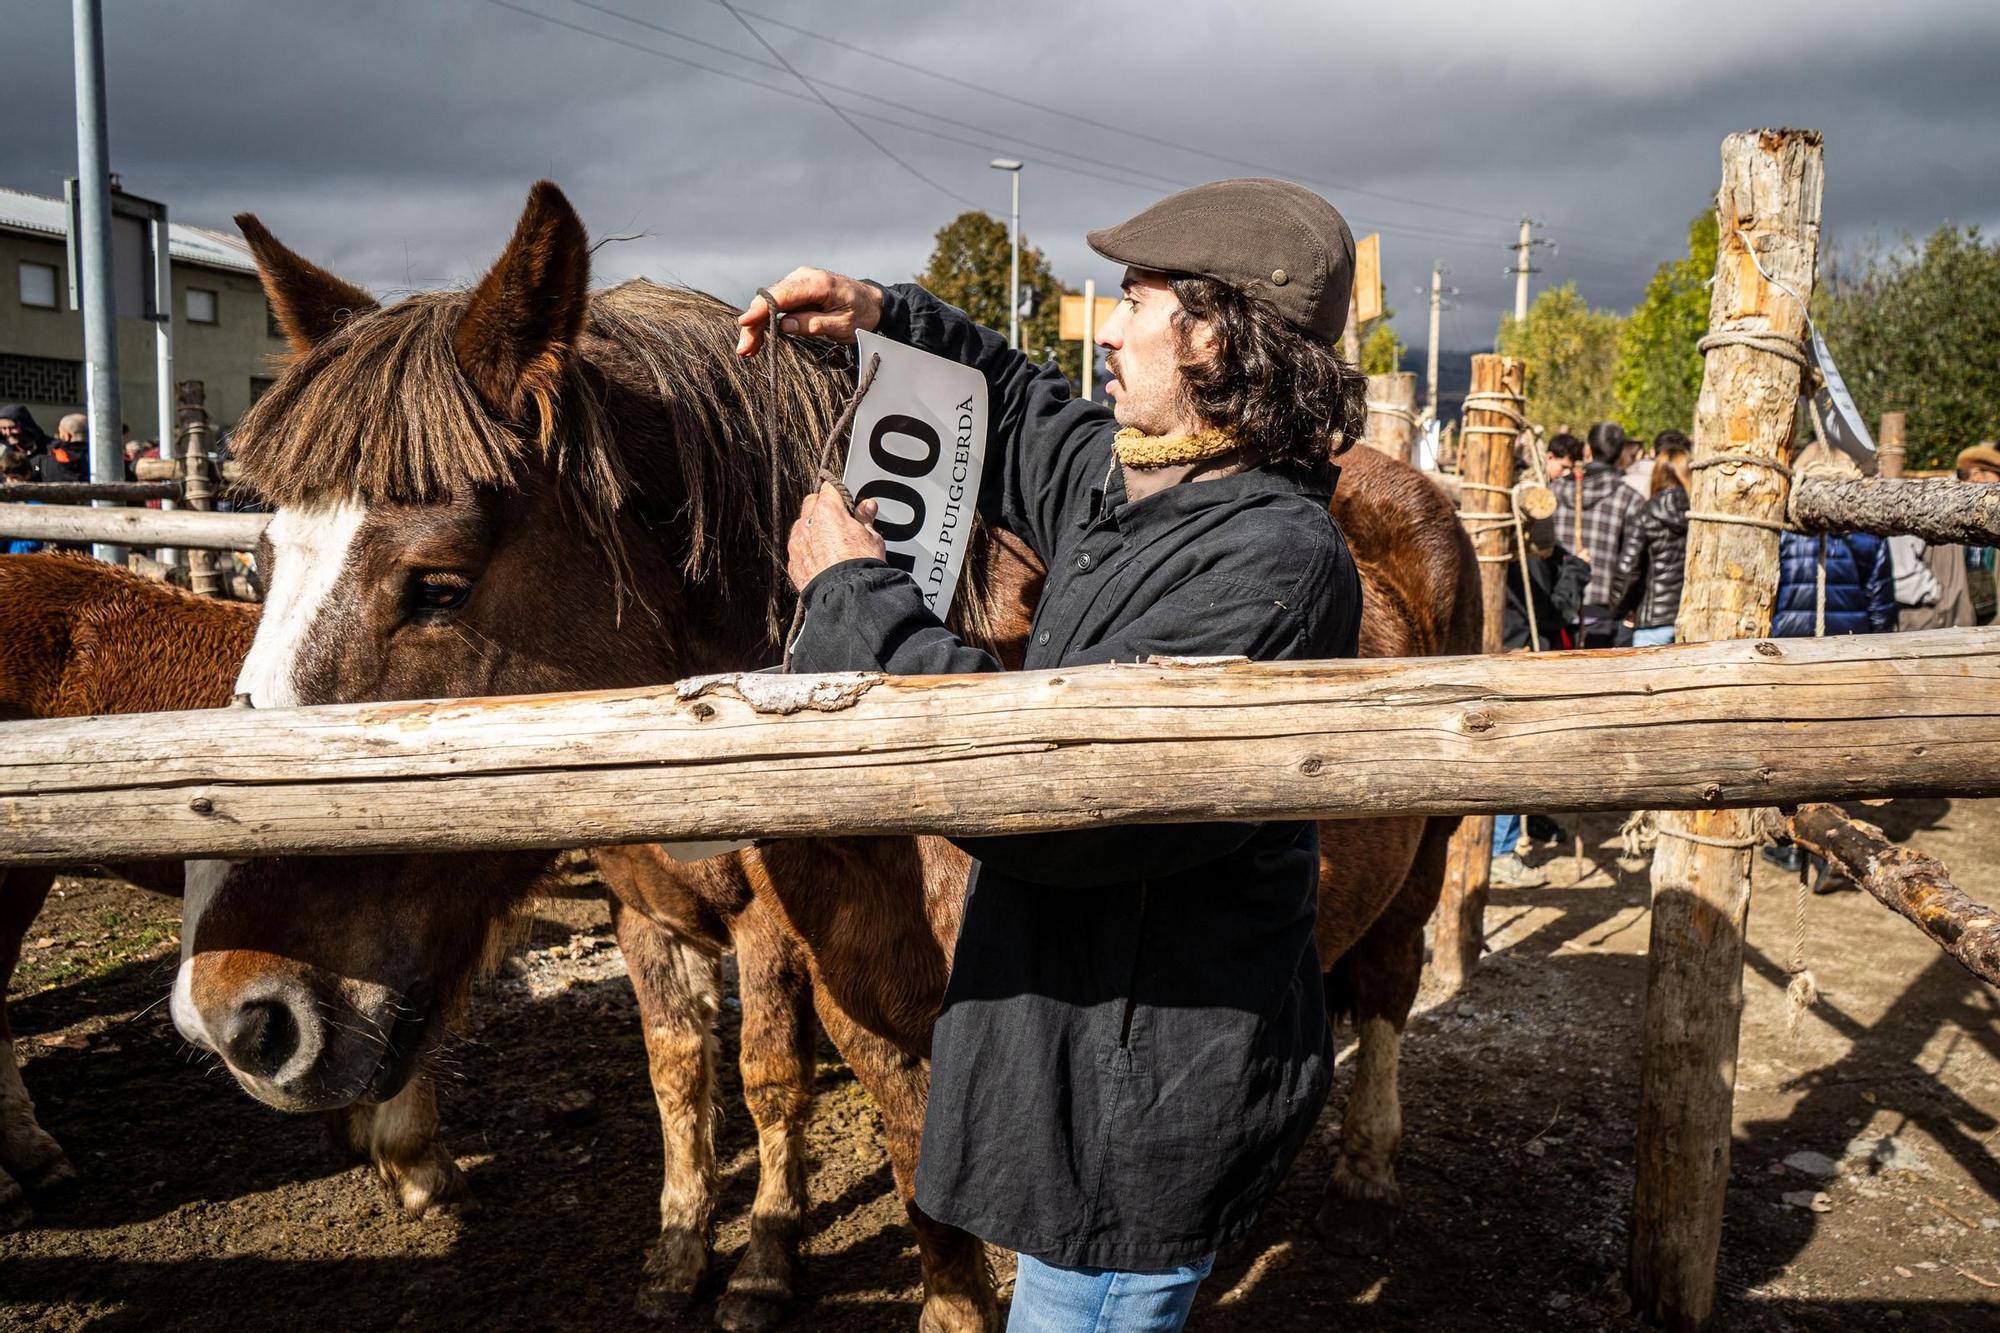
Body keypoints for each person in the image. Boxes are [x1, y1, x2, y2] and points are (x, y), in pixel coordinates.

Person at [740, 178, 1364, 1333]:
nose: (1107, 329)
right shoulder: (1149, 485)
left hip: (1136, 1096)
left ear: (1217, 334)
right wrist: (882, 313)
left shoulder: (1271, 563)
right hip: (1086, 1066)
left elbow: (1055, 800)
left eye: (1135, 302)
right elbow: (1022, 408)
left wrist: (851, 593)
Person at [1553, 421, 1642, 646]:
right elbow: (1631, 565)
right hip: (1604, 617)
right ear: (1621, 453)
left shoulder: (1552, 492)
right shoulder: (1629, 499)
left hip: (1556, 610)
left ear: (1587, 450)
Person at [1610, 429, 1692, 647]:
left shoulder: (1647, 513)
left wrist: (1616, 610)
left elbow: (1628, 569)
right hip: (1692, 616)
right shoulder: (1701, 514)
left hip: (1653, 620)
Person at [34, 413, 90, 484]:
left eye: (59, 433)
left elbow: (35, 470)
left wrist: (36, 467)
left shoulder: (45, 461)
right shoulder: (100, 460)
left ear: (66, 436)